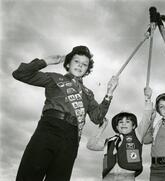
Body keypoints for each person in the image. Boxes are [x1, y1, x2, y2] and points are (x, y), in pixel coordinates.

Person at [12, 45, 119, 181]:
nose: (80, 66)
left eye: (84, 64)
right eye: (76, 61)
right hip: (49, 127)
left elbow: (97, 118)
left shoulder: (88, 93)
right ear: (68, 64)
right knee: (30, 174)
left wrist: (109, 93)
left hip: (72, 137)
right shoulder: (54, 78)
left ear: (87, 70)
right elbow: (20, 74)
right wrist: (45, 61)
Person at [87, 87, 154, 181]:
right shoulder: (109, 141)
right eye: (120, 122)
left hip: (127, 177)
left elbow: (146, 119)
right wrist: (101, 128)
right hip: (108, 178)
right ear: (117, 127)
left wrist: (148, 99)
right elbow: (91, 145)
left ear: (134, 126)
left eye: (127, 121)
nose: (124, 124)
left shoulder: (138, 136)